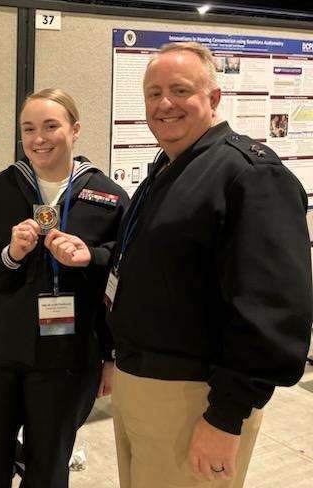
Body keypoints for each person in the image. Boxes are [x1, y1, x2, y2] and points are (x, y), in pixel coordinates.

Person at [106, 42, 312, 488]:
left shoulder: (249, 176)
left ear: (214, 98)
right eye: (153, 93)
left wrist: (225, 418)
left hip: (193, 399)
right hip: (140, 383)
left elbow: (272, 313)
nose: (164, 104)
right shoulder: (170, 167)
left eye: (179, 90)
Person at [0, 88, 129, 487]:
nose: (39, 138)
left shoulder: (108, 197)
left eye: (51, 126)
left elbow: (127, 275)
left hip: (67, 353)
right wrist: (10, 255)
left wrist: (93, 259)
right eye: (28, 128)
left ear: (75, 129)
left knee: (49, 463)